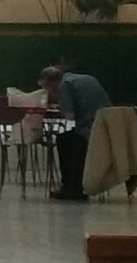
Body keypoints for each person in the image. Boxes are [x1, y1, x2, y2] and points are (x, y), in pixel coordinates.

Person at [40, 61, 110, 201]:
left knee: (64, 140)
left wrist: (59, 103)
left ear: (52, 81)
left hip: (89, 130)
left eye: (47, 88)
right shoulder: (86, 78)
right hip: (107, 127)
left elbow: (69, 117)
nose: (49, 91)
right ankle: (76, 186)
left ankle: (71, 188)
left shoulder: (64, 85)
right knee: (70, 139)